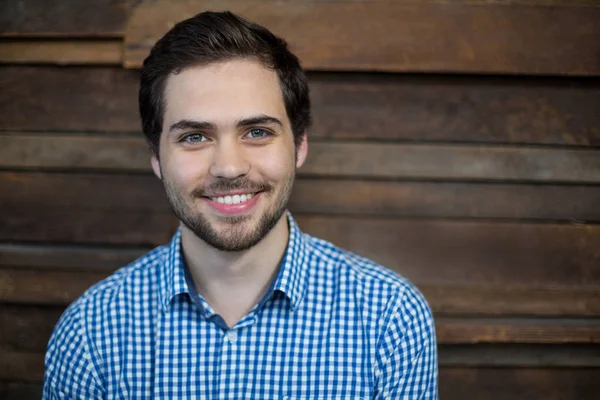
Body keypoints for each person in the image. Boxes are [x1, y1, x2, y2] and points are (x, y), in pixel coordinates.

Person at [43, 11, 437, 399]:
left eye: (257, 131)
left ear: (299, 144)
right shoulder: (90, 333)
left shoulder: (390, 319)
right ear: (156, 157)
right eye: (195, 137)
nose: (229, 167)